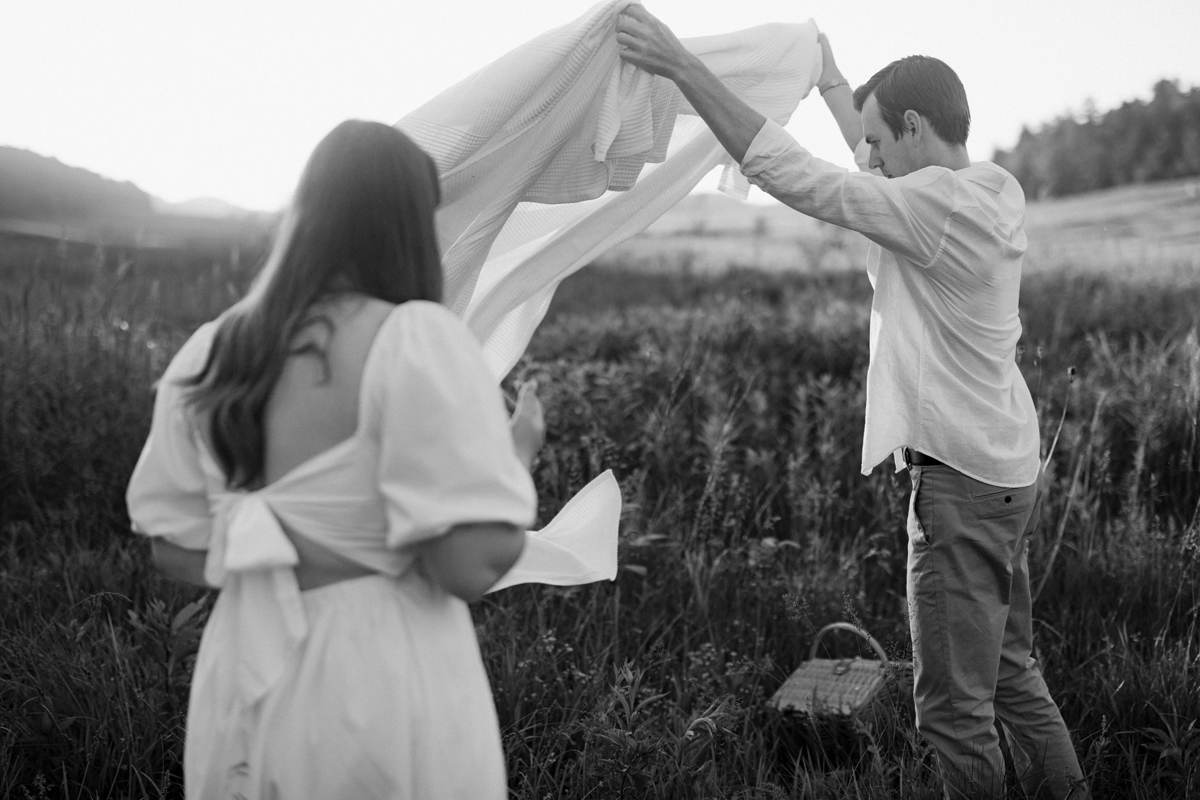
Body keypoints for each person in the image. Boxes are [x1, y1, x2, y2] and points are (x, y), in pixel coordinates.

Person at [616, 7, 1089, 799]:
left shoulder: (935, 205)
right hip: (1003, 471)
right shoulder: (985, 190)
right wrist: (834, 82)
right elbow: (869, 182)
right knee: (1010, 674)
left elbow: (804, 180)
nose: (867, 155)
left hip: (961, 487)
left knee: (952, 713)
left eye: (877, 140)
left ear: (912, 128)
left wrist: (682, 69)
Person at [126, 120, 545, 800]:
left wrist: (282, 553)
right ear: (408, 223)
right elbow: (468, 564)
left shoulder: (210, 350)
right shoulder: (412, 337)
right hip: (377, 672)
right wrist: (515, 454)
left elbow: (171, 548)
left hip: (243, 668)